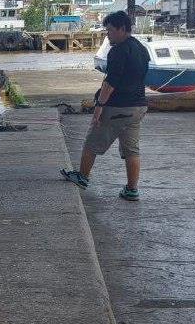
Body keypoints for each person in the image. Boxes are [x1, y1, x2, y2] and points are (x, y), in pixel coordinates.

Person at [61, 10, 149, 201]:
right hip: (138, 107)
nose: (107, 35)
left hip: (117, 107)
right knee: (132, 150)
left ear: (122, 29)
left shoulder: (118, 50)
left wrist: (99, 106)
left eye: (109, 30)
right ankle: (132, 189)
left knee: (92, 143)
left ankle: (82, 177)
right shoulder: (141, 49)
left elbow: (110, 83)